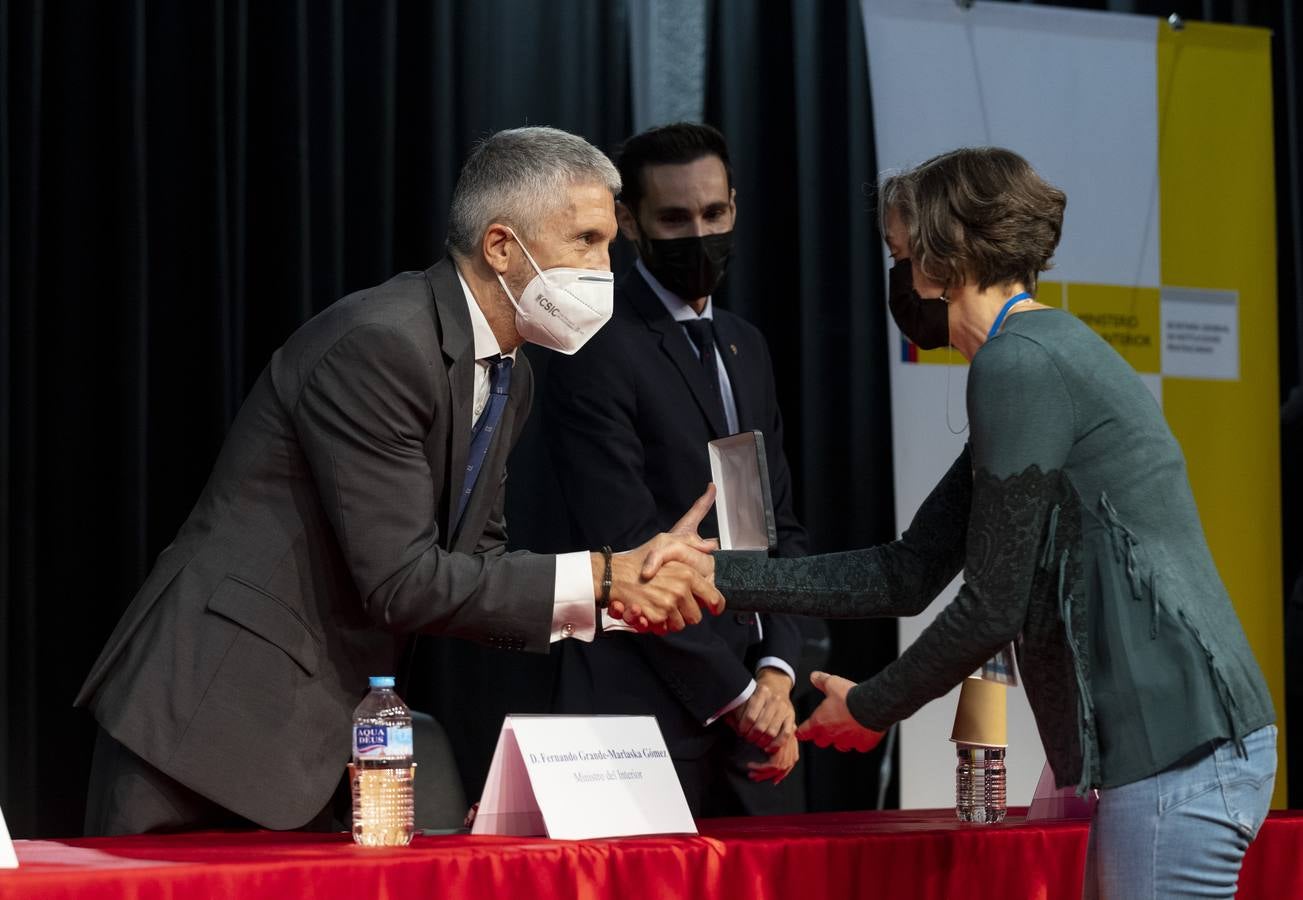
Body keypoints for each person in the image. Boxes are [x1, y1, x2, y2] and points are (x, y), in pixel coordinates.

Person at [75, 126, 723, 837]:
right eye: (586, 241)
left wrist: (620, 598)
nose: (607, 267)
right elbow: (402, 581)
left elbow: (476, 567)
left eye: (608, 244)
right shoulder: (382, 343)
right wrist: (604, 577)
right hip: (206, 725)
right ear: (502, 247)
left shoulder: (511, 372)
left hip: (309, 740)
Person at [663, 148, 1277, 897]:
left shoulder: (1018, 366)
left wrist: (870, 706)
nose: (897, 279)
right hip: (1178, 748)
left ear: (942, 257)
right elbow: (908, 569)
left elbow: (991, 603)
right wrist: (716, 575)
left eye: (899, 254)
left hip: (1178, 746)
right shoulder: (1031, 357)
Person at [544, 122, 807, 816]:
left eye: (714, 214)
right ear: (629, 223)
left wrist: (778, 674)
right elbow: (624, 546)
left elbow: (776, 527)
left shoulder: (746, 346)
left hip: (762, 735)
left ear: (734, 208)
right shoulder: (593, 347)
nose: (700, 234)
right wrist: (740, 696)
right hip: (645, 731)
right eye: (675, 218)